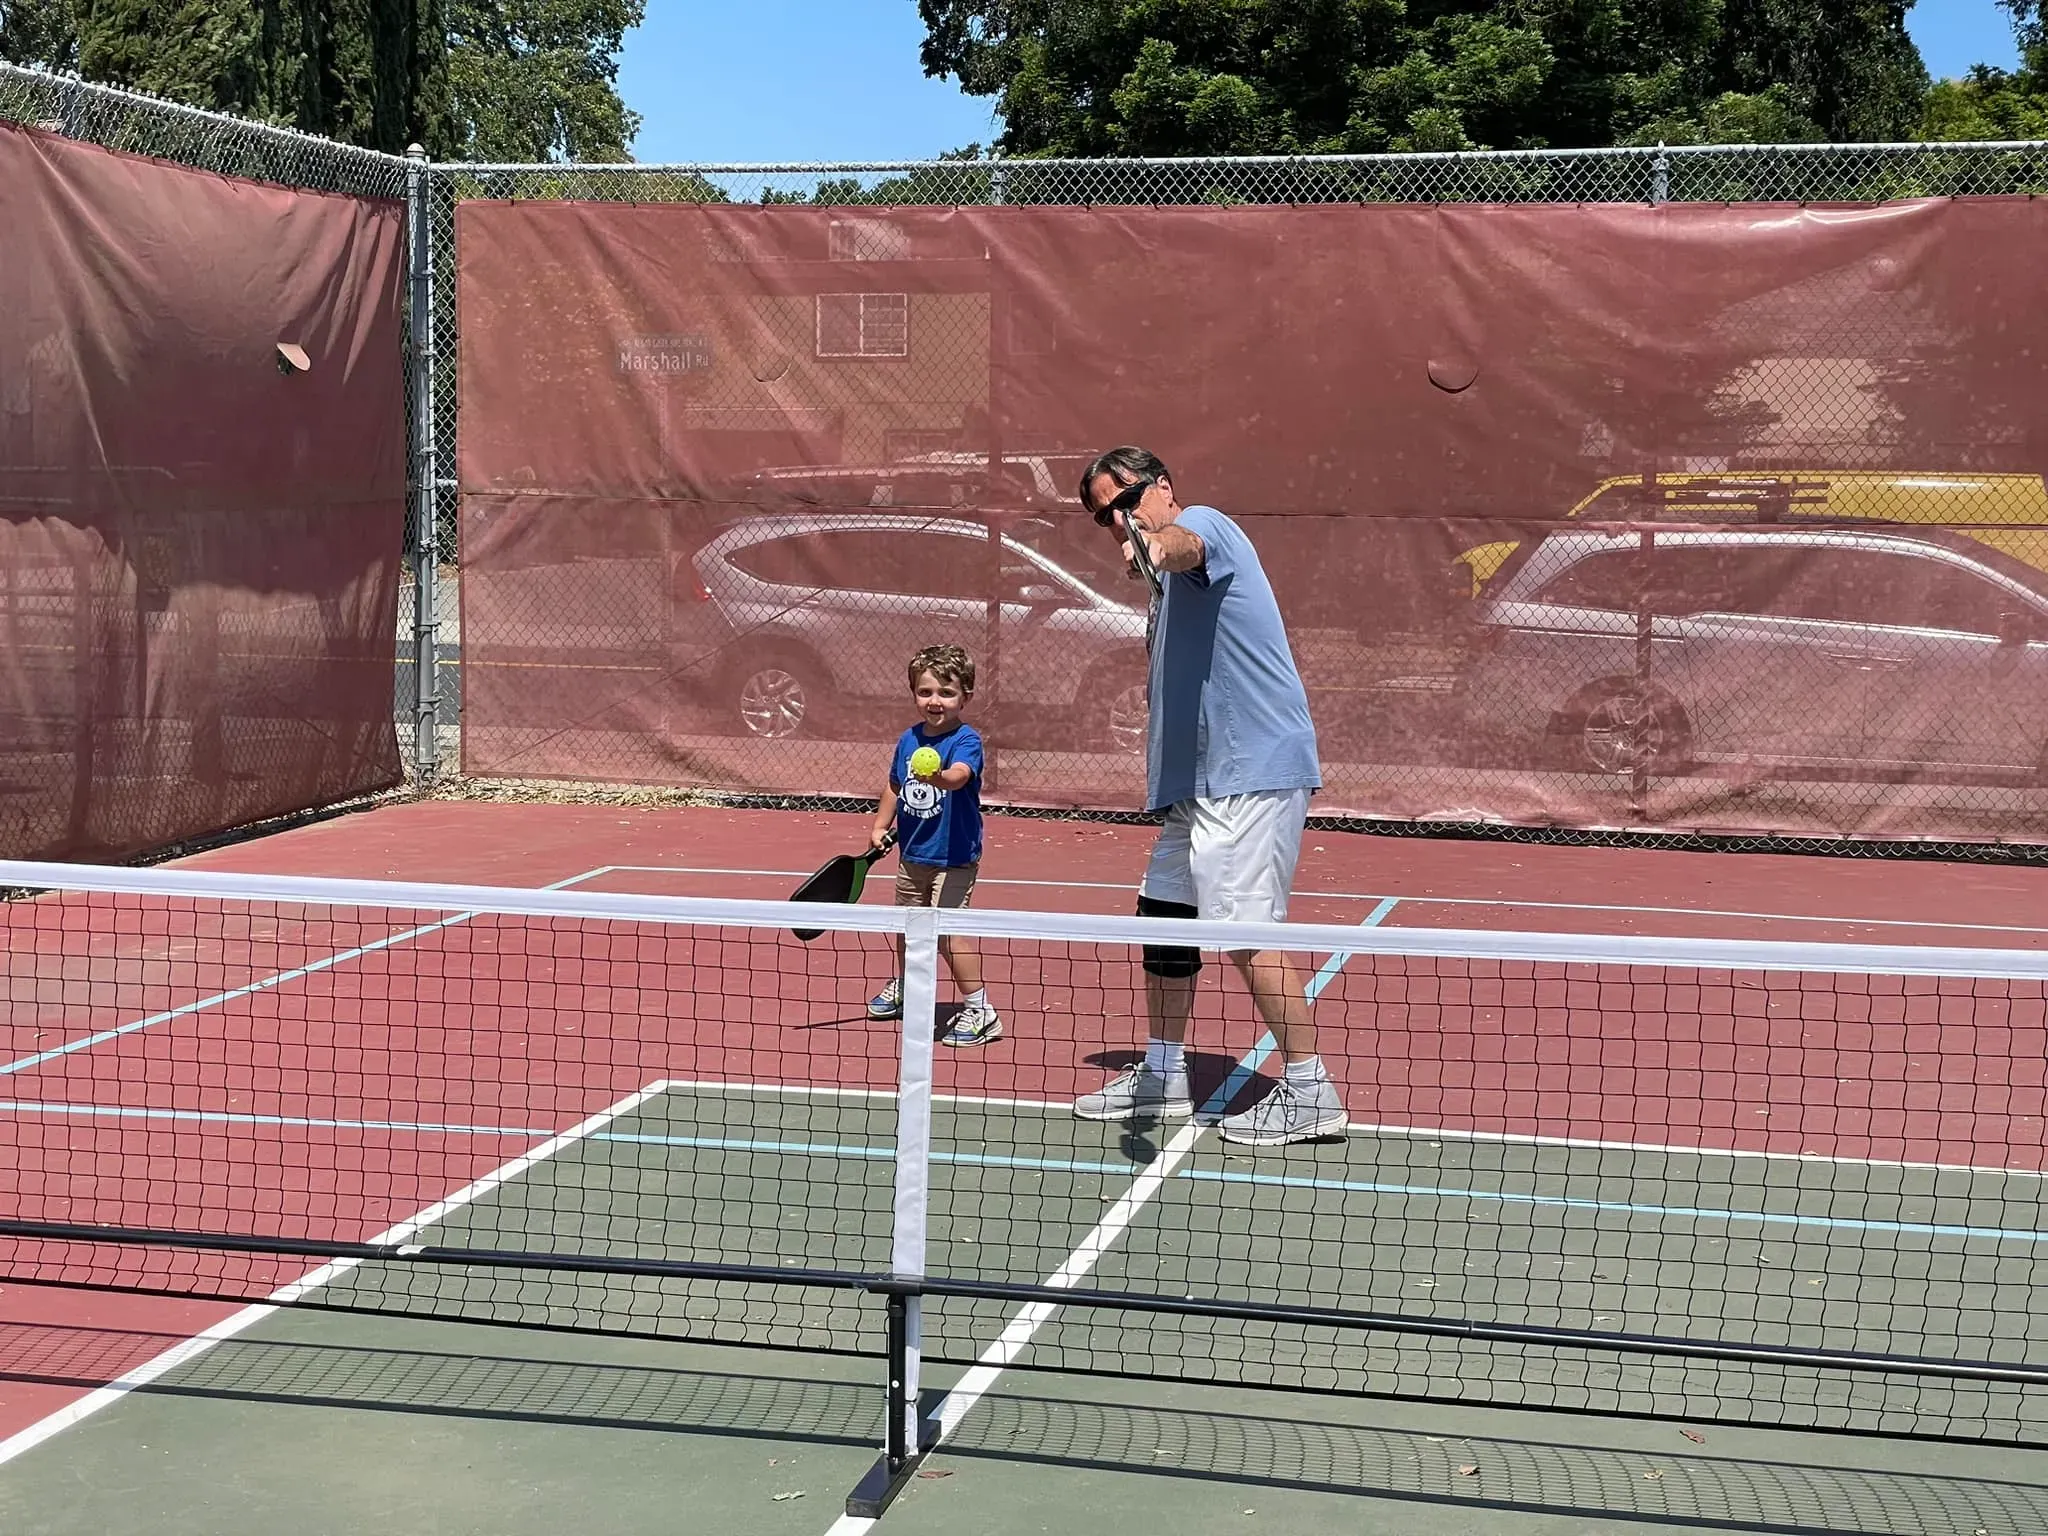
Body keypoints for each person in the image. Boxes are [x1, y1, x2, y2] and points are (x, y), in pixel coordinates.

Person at [1071, 446, 1343, 1146]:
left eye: (1126, 501)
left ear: (1162, 488)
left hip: (1250, 773)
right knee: (1163, 913)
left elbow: (1181, 545)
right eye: (1104, 515)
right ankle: (1162, 1076)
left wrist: (1155, 545)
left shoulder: (1205, 525)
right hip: (1201, 786)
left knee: (1243, 930)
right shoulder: (1164, 602)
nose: (1118, 520)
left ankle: (1312, 1090)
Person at [866, 643, 1000, 1047]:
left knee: (948, 936)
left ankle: (981, 1010)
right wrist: (880, 824)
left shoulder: (966, 740)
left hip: (954, 857)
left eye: (946, 692)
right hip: (913, 855)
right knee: (908, 929)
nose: (935, 701)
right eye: (925, 692)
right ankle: (911, 986)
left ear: (966, 697)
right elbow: (895, 784)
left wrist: (937, 778)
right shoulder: (908, 739)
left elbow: (959, 776)